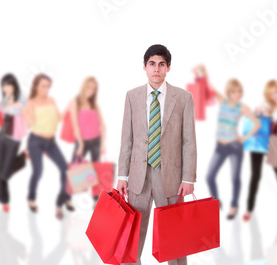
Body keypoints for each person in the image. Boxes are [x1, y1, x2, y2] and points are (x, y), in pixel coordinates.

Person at [117, 44, 196, 265]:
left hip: (171, 177)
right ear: (144, 67)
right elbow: (127, 139)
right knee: (132, 239)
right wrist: (122, 176)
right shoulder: (132, 96)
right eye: (152, 64)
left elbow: (189, 141)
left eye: (162, 64)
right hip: (137, 177)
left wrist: (188, 178)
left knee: (174, 239)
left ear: (168, 68)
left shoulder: (183, 98)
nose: (156, 69)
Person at [205, 68, 260, 220]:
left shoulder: (242, 107)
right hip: (220, 146)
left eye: (240, 91)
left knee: (235, 178)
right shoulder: (222, 101)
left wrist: (244, 137)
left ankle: (234, 205)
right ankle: (216, 201)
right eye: (235, 91)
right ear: (229, 92)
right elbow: (210, 87)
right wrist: (204, 72)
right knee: (209, 176)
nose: (238, 94)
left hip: (235, 146)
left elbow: (256, 124)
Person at [243, 80, 277, 223]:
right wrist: (259, 110)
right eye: (271, 94)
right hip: (259, 140)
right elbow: (258, 110)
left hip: (275, 141)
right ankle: (249, 209)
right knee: (255, 175)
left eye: (276, 92)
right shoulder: (266, 104)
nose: (274, 96)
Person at [25, 73, 74, 219]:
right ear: (36, 86)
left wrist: (69, 106)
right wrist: (24, 110)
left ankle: (65, 197)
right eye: (43, 86)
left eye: (48, 86)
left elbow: (58, 118)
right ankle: (31, 198)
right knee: (38, 171)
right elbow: (30, 124)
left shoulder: (51, 100)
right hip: (36, 141)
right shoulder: (31, 102)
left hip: (50, 142)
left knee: (65, 168)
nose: (46, 89)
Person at [67, 76, 106, 204]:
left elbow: (102, 125)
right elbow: (75, 124)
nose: (91, 91)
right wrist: (81, 144)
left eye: (94, 89)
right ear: (84, 87)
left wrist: (102, 144)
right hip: (82, 141)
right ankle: (68, 198)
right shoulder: (75, 102)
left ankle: (96, 200)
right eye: (89, 87)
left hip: (96, 140)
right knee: (75, 169)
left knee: (96, 170)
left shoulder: (94, 104)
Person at [0, 73, 27, 213]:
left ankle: (23, 158)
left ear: (14, 85)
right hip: (0, 135)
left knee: (5, 172)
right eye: (3, 85)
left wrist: (3, 105)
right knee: (0, 167)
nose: (5, 88)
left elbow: (15, 110)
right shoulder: (4, 99)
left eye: (8, 84)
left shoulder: (22, 97)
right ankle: (4, 201)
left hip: (13, 138)